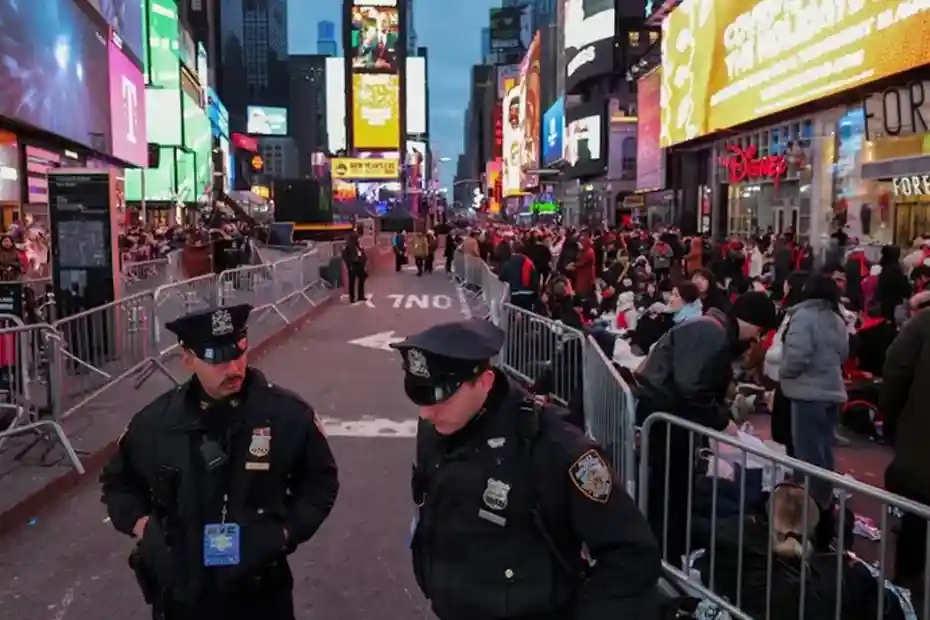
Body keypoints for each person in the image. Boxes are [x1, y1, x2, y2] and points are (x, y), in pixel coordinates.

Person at [394, 319, 662, 620]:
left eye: (442, 397)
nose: (426, 413)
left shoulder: (556, 448)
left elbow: (631, 555)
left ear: (484, 381)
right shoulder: (438, 426)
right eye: (420, 397)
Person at [100, 304, 339, 620]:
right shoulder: (155, 423)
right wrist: (144, 528)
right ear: (188, 359)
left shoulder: (287, 416)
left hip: (259, 594)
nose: (235, 368)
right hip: (182, 597)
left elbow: (320, 484)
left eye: (239, 353)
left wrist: (283, 533)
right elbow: (118, 484)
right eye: (218, 359)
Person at [633, 291, 778, 565]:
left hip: (669, 415)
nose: (756, 339)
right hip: (669, 417)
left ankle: (668, 548)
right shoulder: (711, 332)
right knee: (670, 491)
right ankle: (666, 553)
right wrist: (721, 421)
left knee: (671, 490)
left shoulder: (711, 329)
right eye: (759, 331)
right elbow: (691, 386)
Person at [342, 233, 368, 303]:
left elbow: (361, 252)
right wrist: (348, 264)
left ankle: (360, 295)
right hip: (353, 264)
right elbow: (344, 255)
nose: (357, 239)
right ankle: (352, 297)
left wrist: (364, 259)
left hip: (359, 264)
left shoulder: (357, 244)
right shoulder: (349, 245)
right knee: (352, 281)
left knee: (362, 277)